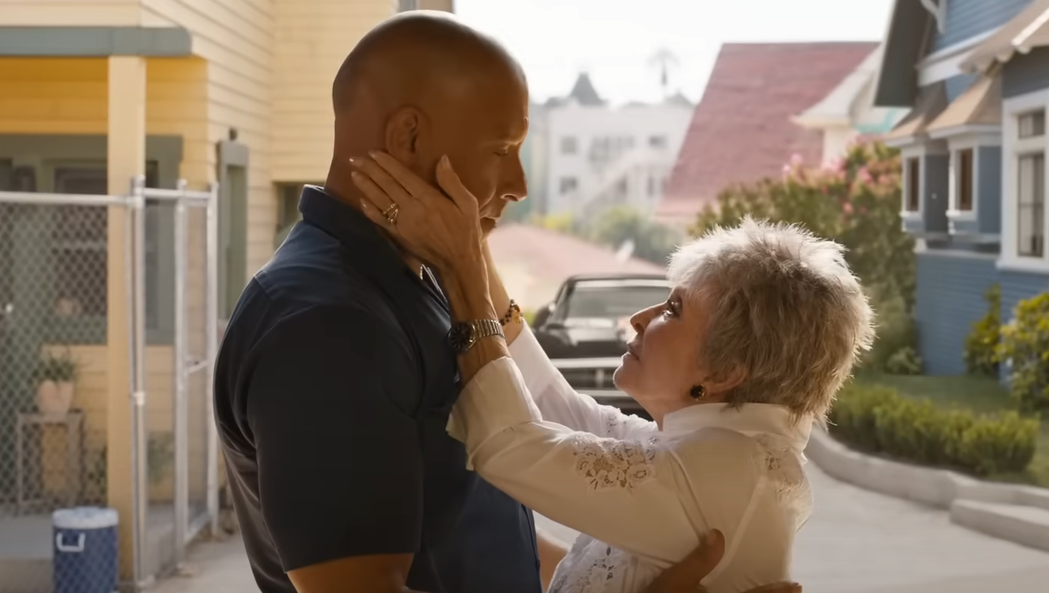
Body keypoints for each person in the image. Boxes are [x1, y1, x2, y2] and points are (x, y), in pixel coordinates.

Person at [214, 9, 802, 593]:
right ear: (408, 138)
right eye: (502, 149)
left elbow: (471, 520)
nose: (520, 184)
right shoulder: (327, 325)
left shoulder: (413, 281)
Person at [347, 152, 875, 592]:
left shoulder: (727, 471)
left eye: (673, 310)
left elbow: (512, 445)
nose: (640, 318)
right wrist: (474, 246)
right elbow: (555, 405)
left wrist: (460, 268)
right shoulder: (716, 452)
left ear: (728, 370)